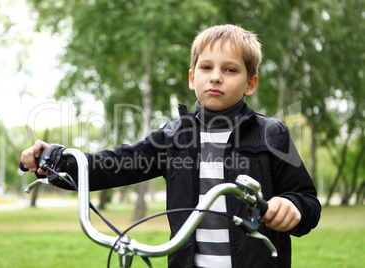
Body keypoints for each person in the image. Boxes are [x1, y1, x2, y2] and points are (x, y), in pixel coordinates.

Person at [21, 24, 321, 267]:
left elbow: (307, 201)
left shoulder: (271, 133)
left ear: (250, 84)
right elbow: (113, 165)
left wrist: (293, 206)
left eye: (230, 70)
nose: (216, 76)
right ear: (193, 78)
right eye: (206, 67)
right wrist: (55, 160)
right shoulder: (174, 136)